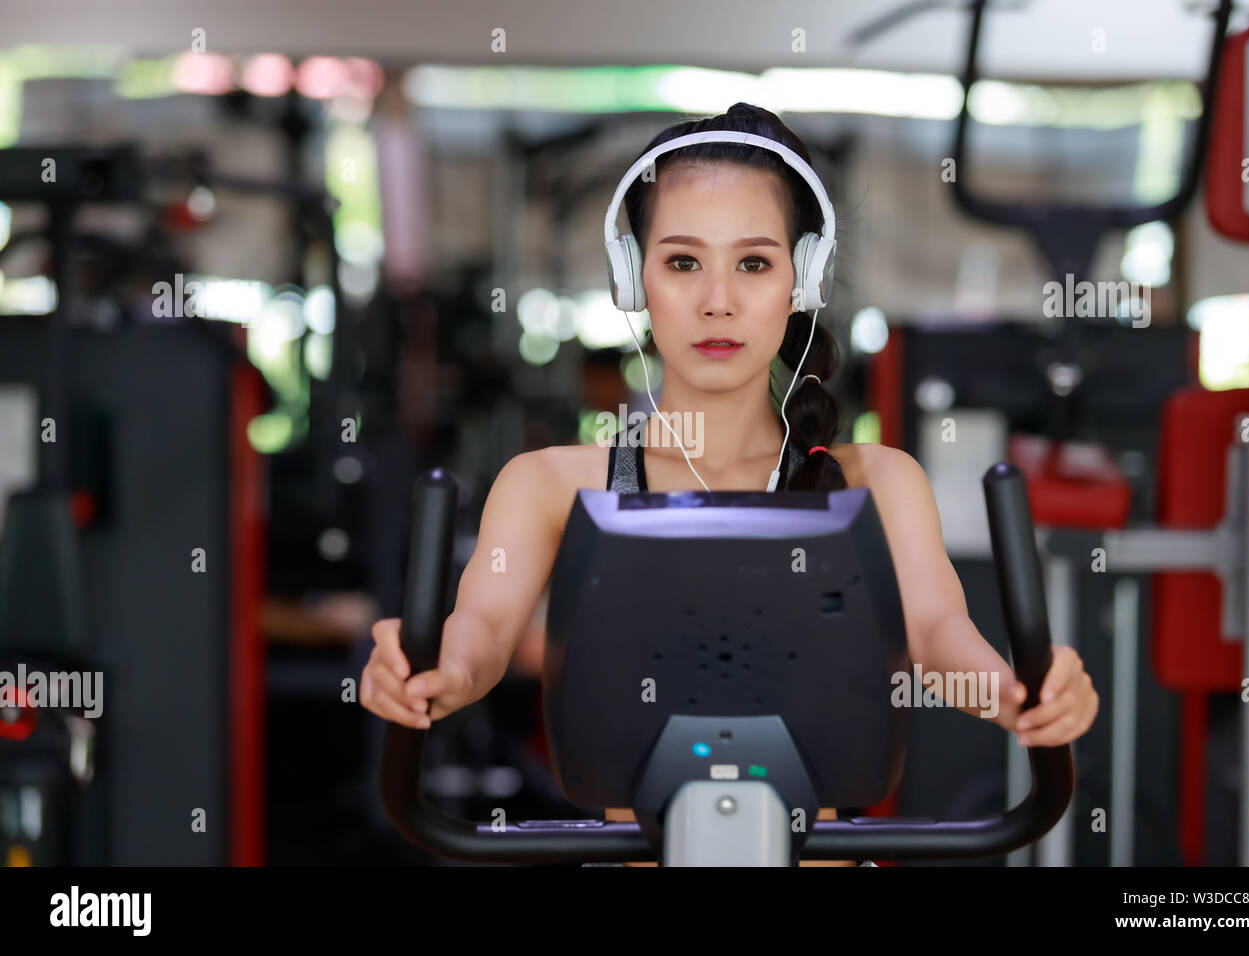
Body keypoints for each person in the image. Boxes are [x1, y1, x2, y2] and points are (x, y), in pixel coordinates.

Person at [360, 102, 1100, 866]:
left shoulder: (877, 483)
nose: (718, 299)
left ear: (802, 279)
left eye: (753, 262)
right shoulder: (550, 485)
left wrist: (1014, 694)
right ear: (632, 275)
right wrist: (436, 673)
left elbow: (941, 637)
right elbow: (480, 629)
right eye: (683, 262)